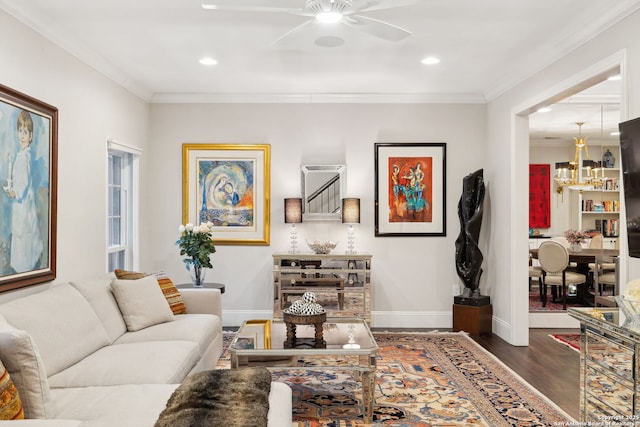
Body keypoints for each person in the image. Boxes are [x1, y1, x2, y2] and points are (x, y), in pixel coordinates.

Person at [4, 110, 43, 273]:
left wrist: (15, 193)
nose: (22, 135)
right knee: (23, 233)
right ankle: (25, 261)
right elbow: (16, 178)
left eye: (25, 132)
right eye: (20, 130)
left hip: (23, 203)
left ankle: (24, 266)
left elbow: (24, 182)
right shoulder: (20, 155)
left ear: (31, 136)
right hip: (22, 204)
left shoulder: (25, 157)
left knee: (24, 235)